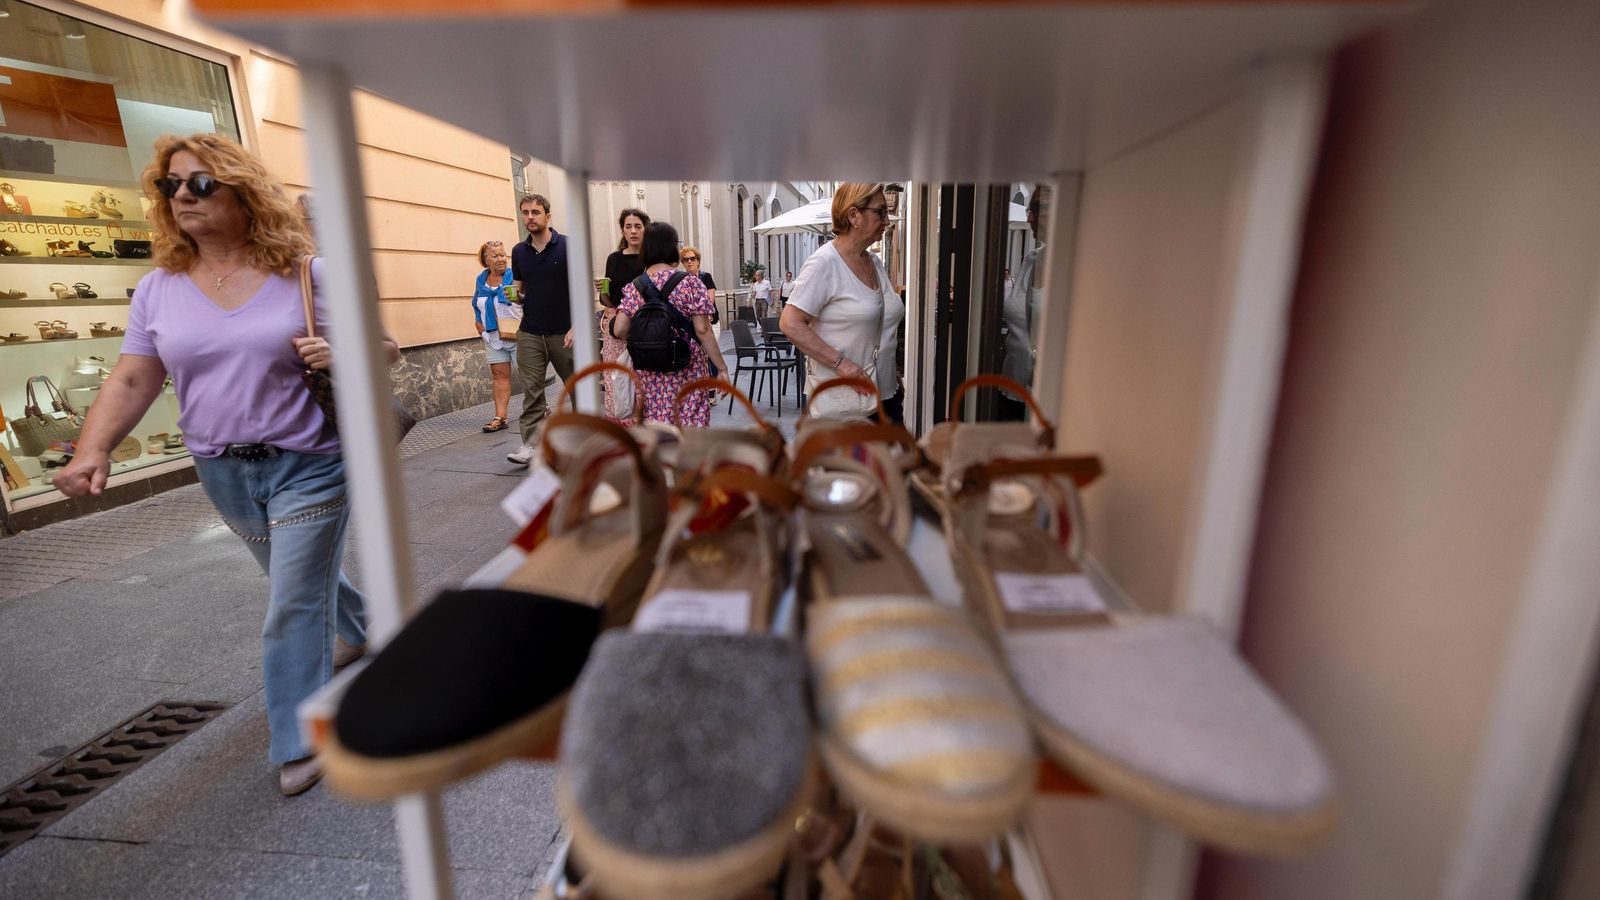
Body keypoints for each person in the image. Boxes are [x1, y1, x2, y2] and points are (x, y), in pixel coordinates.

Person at [51, 133, 397, 796]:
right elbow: (131, 378)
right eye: (169, 185)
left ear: (243, 193)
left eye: (200, 183)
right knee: (297, 574)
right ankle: (355, 627)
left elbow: (384, 346)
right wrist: (91, 448)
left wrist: (344, 353)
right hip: (221, 470)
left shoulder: (305, 273)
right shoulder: (157, 289)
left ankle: (301, 735)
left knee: (291, 600)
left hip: (310, 460)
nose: (182, 195)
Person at [780, 182, 905, 419]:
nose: (887, 221)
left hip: (885, 395)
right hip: (847, 403)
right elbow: (790, 323)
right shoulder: (825, 263)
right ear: (854, 215)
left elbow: (881, 324)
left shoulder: (875, 263)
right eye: (880, 212)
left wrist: (891, 375)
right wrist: (843, 365)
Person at [612, 222, 728, 427]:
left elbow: (619, 329)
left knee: (655, 424)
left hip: (648, 369)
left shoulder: (634, 287)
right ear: (672, 247)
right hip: (687, 367)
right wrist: (722, 369)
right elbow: (703, 329)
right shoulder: (691, 282)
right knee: (690, 422)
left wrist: (648, 337)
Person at [507, 193, 574, 465]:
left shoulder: (568, 246)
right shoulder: (518, 251)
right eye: (525, 212)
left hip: (564, 330)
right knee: (532, 390)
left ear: (548, 215)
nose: (530, 217)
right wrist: (516, 296)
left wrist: (577, 326)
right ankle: (530, 445)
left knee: (578, 387)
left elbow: (581, 288)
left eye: (535, 212)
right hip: (531, 331)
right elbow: (520, 290)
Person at [999, 187, 1047, 420]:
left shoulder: (1075, 262)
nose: (1029, 217)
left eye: (1036, 209)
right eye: (1030, 209)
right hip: (1011, 386)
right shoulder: (1032, 259)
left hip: (1042, 395)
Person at [471, 240, 517, 432]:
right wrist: (480, 327)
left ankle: (540, 407)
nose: (501, 259)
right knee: (499, 376)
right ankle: (501, 417)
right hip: (493, 337)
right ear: (486, 261)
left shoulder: (515, 277)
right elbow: (476, 304)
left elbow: (528, 301)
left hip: (518, 334)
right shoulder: (481, 282)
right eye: (495, 256)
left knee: (530, 375)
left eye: (502, 255)